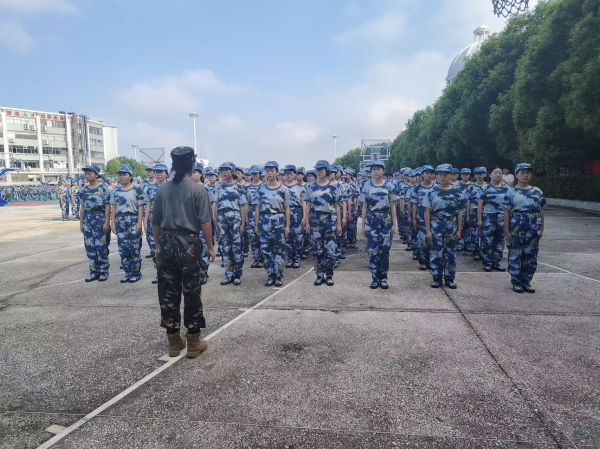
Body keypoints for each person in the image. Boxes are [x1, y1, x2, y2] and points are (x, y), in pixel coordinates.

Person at [152, 146, 215, 358]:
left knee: (168, 294)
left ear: (173, 166)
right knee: (192, 292)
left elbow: (155, 223)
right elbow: (205, 222)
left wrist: (158, 246)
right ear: (193, 166)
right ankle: (193, 343)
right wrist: (210, 247)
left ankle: (173, 342)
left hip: (167, 245)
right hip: (189, 246)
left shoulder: (162, 189)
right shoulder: (198, 190)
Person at [503, 163, 546, 293]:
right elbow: (506, 212)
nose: (526, 175)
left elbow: (541, 211)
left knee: (531, 255)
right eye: (522, 172)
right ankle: (516, 281)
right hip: (516, 227)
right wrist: (507, 231)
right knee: (515, 254)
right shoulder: (510, 192)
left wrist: (542, 229)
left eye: (528, 172)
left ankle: (527, 281)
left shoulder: (537, 191)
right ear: (516, 175)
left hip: (533, 227)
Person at [302, 160, 342, 286]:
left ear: (327, 171)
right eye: (317, 170)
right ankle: (319, 275)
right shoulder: (310, 187)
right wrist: (306, 221)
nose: (318, 172)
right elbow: (307, 204)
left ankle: (329, 275)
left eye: (321, 170)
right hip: (315, 221)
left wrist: (339, 223)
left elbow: (337, 206)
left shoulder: (334, 187)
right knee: (317, 249)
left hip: (330, 220)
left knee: (330, 249)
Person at [424, 164, 463, 289]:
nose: (443, 177)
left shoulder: (457, 192)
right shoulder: (431, 192)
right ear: (437, 176)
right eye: (440, 174)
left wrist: (459, 230)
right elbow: (427, 212)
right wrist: (428, 230)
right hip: (436, 226)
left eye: (446, 174)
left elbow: (459, 212)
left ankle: (449, 278)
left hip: (451, 226)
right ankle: (436, 278)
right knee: (436, 253)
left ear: (450, 175)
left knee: (450, 254)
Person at [360, 160, 398, 289]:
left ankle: (383, 278)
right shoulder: (366, 186)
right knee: (372, 250)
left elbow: (393, 206)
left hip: (386, 221)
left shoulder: (390, 186)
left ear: (383, 171)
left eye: (378, 168)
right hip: (372, 220)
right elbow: (364, 207)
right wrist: (363, 225)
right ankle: (375, 278)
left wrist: (394, 224)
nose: (376, 171)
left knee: (385, 250)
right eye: (373, 169)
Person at [255, 161, 291, 286]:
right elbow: (258, 208)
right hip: (264, 220)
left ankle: (278, 275)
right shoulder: (261, 188)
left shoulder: (284, 189)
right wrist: (257, 224)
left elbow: (287, 208)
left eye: (272, 171)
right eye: (267, 171)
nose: (269, 173)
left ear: (277, 172)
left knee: (279, 250)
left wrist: (287, 226)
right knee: (266, 250)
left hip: (279, 220)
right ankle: (270, 275)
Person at [211, 162, 247, 285]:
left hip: (235, 219)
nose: (224, 172)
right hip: (222, 219)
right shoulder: (218, 187)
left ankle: (237, 275)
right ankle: (228, 274)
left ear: (232, 171)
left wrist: (242, 224)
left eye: (226, 170)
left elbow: (242, 206)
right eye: (222, 170)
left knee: (236, 248)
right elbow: (215, 205)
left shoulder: (239, 187)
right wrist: (215, 221)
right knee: (225, 248)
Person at [110, 164, 145, 283]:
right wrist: (112, 222)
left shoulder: (137, 189)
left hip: (133, 220)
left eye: (124, 174)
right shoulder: (115, 190)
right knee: (123, 249)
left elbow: (140, 207)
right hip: (120, 221)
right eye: (120, 174)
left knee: (134, 249)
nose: (121, 177)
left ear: (130, 176)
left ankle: (136, 273)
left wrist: (139, 223)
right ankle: (128, 273)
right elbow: (113, 207)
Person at [78, 165, 111, 282]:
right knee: (89, 247)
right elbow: (82, 207)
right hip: (87, 220)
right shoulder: (83, 190)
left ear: (97, 175)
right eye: (85, 174)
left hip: (100, 219)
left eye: (89, 174)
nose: (87, 176)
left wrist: (107, 222)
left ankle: (103, 271)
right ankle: (93, 272)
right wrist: (81, 223)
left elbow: (107, 207)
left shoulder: (103, 189)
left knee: (101, 247)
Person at [478, 166, 510, 272]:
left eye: (500, 173)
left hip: (502, 218)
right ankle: (487, 263)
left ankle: (496, 262)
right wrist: (479, 219)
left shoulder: (507, 188)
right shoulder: (485, 187)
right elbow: (480, 204)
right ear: (490, 174)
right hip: (488, 217)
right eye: (495, 172)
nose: (498, 175)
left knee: (500, 241)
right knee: (487, 240)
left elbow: (509, 205)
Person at [411, 165, 435, 271]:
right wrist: (413, 218)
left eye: (431, 173)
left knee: (433, 242)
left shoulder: (436, 187)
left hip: (434, 219)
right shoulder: (417, 188)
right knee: (422, 241)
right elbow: (414, 204)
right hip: (421, 218)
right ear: (422, 175)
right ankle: (423, 261)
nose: (429, 175)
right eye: (427, 173)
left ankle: (431, 261)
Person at [283, 164, 305, 269]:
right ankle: (290, 259)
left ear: (295, 174)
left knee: (297, 237)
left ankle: (297, 259)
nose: (289, 175)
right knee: (287, 237)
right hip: (284, 213)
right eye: (287, 173)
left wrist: (304, 217)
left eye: (291, 173)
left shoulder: (300, 187)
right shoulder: (281, 187)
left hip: (297, 212)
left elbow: (303, 203)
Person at [466, 167, 486, 260]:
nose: (479, 175)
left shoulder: (488, 186)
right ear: (474, 175)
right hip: (473, 211)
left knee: (485, 232)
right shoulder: (471, 187)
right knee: (474, 232)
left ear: (485, 174)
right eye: (477, 174)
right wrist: (467, 215)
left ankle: (483, 250)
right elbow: (468, 201)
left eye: (481, 173)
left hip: (486, 212)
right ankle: (475, 251)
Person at [142, 165, 158, 260]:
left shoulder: (158, 184)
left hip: (156, 212)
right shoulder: (144, 185)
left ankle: (157, 251)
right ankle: (153, 250)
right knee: (148, 232)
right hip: (146, 211)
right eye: (147, 171)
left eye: (150, 171)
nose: (149, 173)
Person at [455, 168, 472, 251]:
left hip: (471, 209)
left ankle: (468, 244)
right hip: (460, 209)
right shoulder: (456, 186)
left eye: (467, 174)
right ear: (460, 175)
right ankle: (460, 243)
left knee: (469, 227)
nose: (465, 175)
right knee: (460, 226)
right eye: (463, 174)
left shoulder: (472, 185)